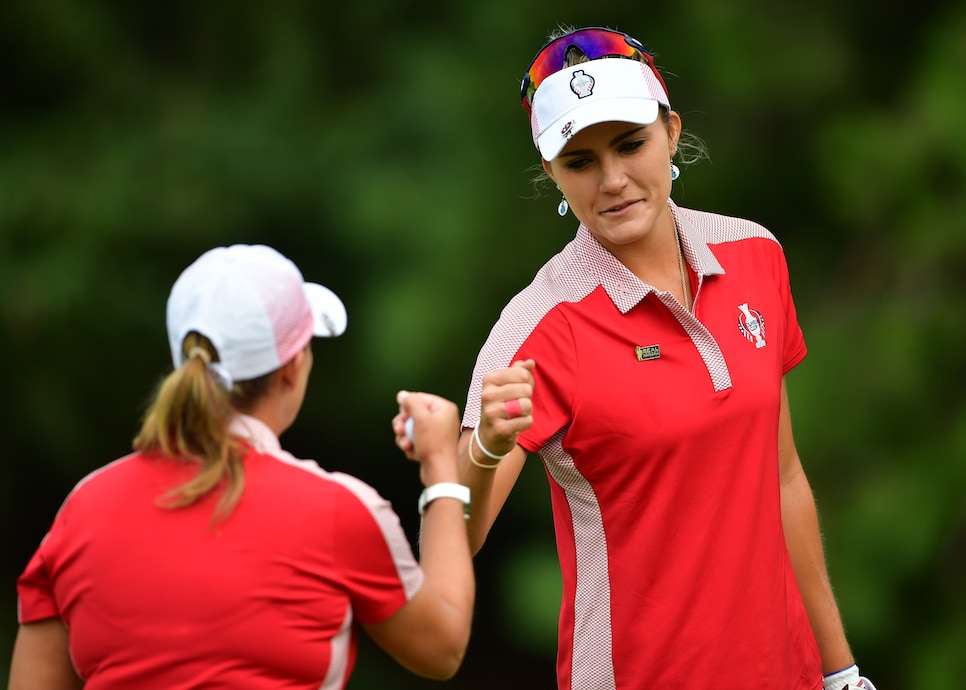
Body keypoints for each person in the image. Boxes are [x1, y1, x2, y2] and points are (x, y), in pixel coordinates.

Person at [456, 26, 877, 690]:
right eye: (581, 161)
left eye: (630, 144)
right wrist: (482, 448)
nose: (614, 180)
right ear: (552, 173)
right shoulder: (538, 326)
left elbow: (784, 477)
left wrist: (839, 669)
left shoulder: (754, 255)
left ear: (672, 132)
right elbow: (458, 540)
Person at [10, 244, 477, 689]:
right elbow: (443, 647)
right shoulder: (340, 510)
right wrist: (440, 464)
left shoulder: (82, 510)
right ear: (293, 368)